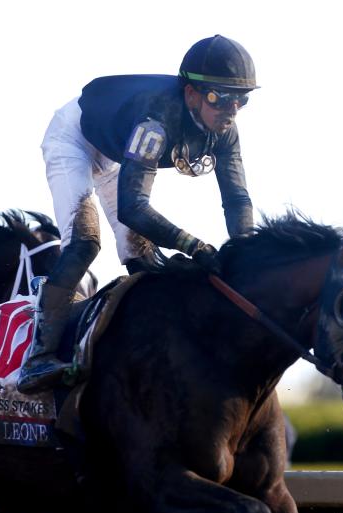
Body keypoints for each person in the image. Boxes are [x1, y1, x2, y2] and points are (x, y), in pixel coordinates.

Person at [18, 35, 257, 393]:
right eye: (219, 97)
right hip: (75, 137)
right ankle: (37, 360)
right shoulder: (157, 118)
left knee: (141, 255)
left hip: (117, 152)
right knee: (85, 242)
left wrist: (245, 254)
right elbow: (133, 208)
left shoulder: (226, 132)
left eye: (241, 99)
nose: (231, 109)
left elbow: (237, 199)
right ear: (191, 93)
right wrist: (194, 246)